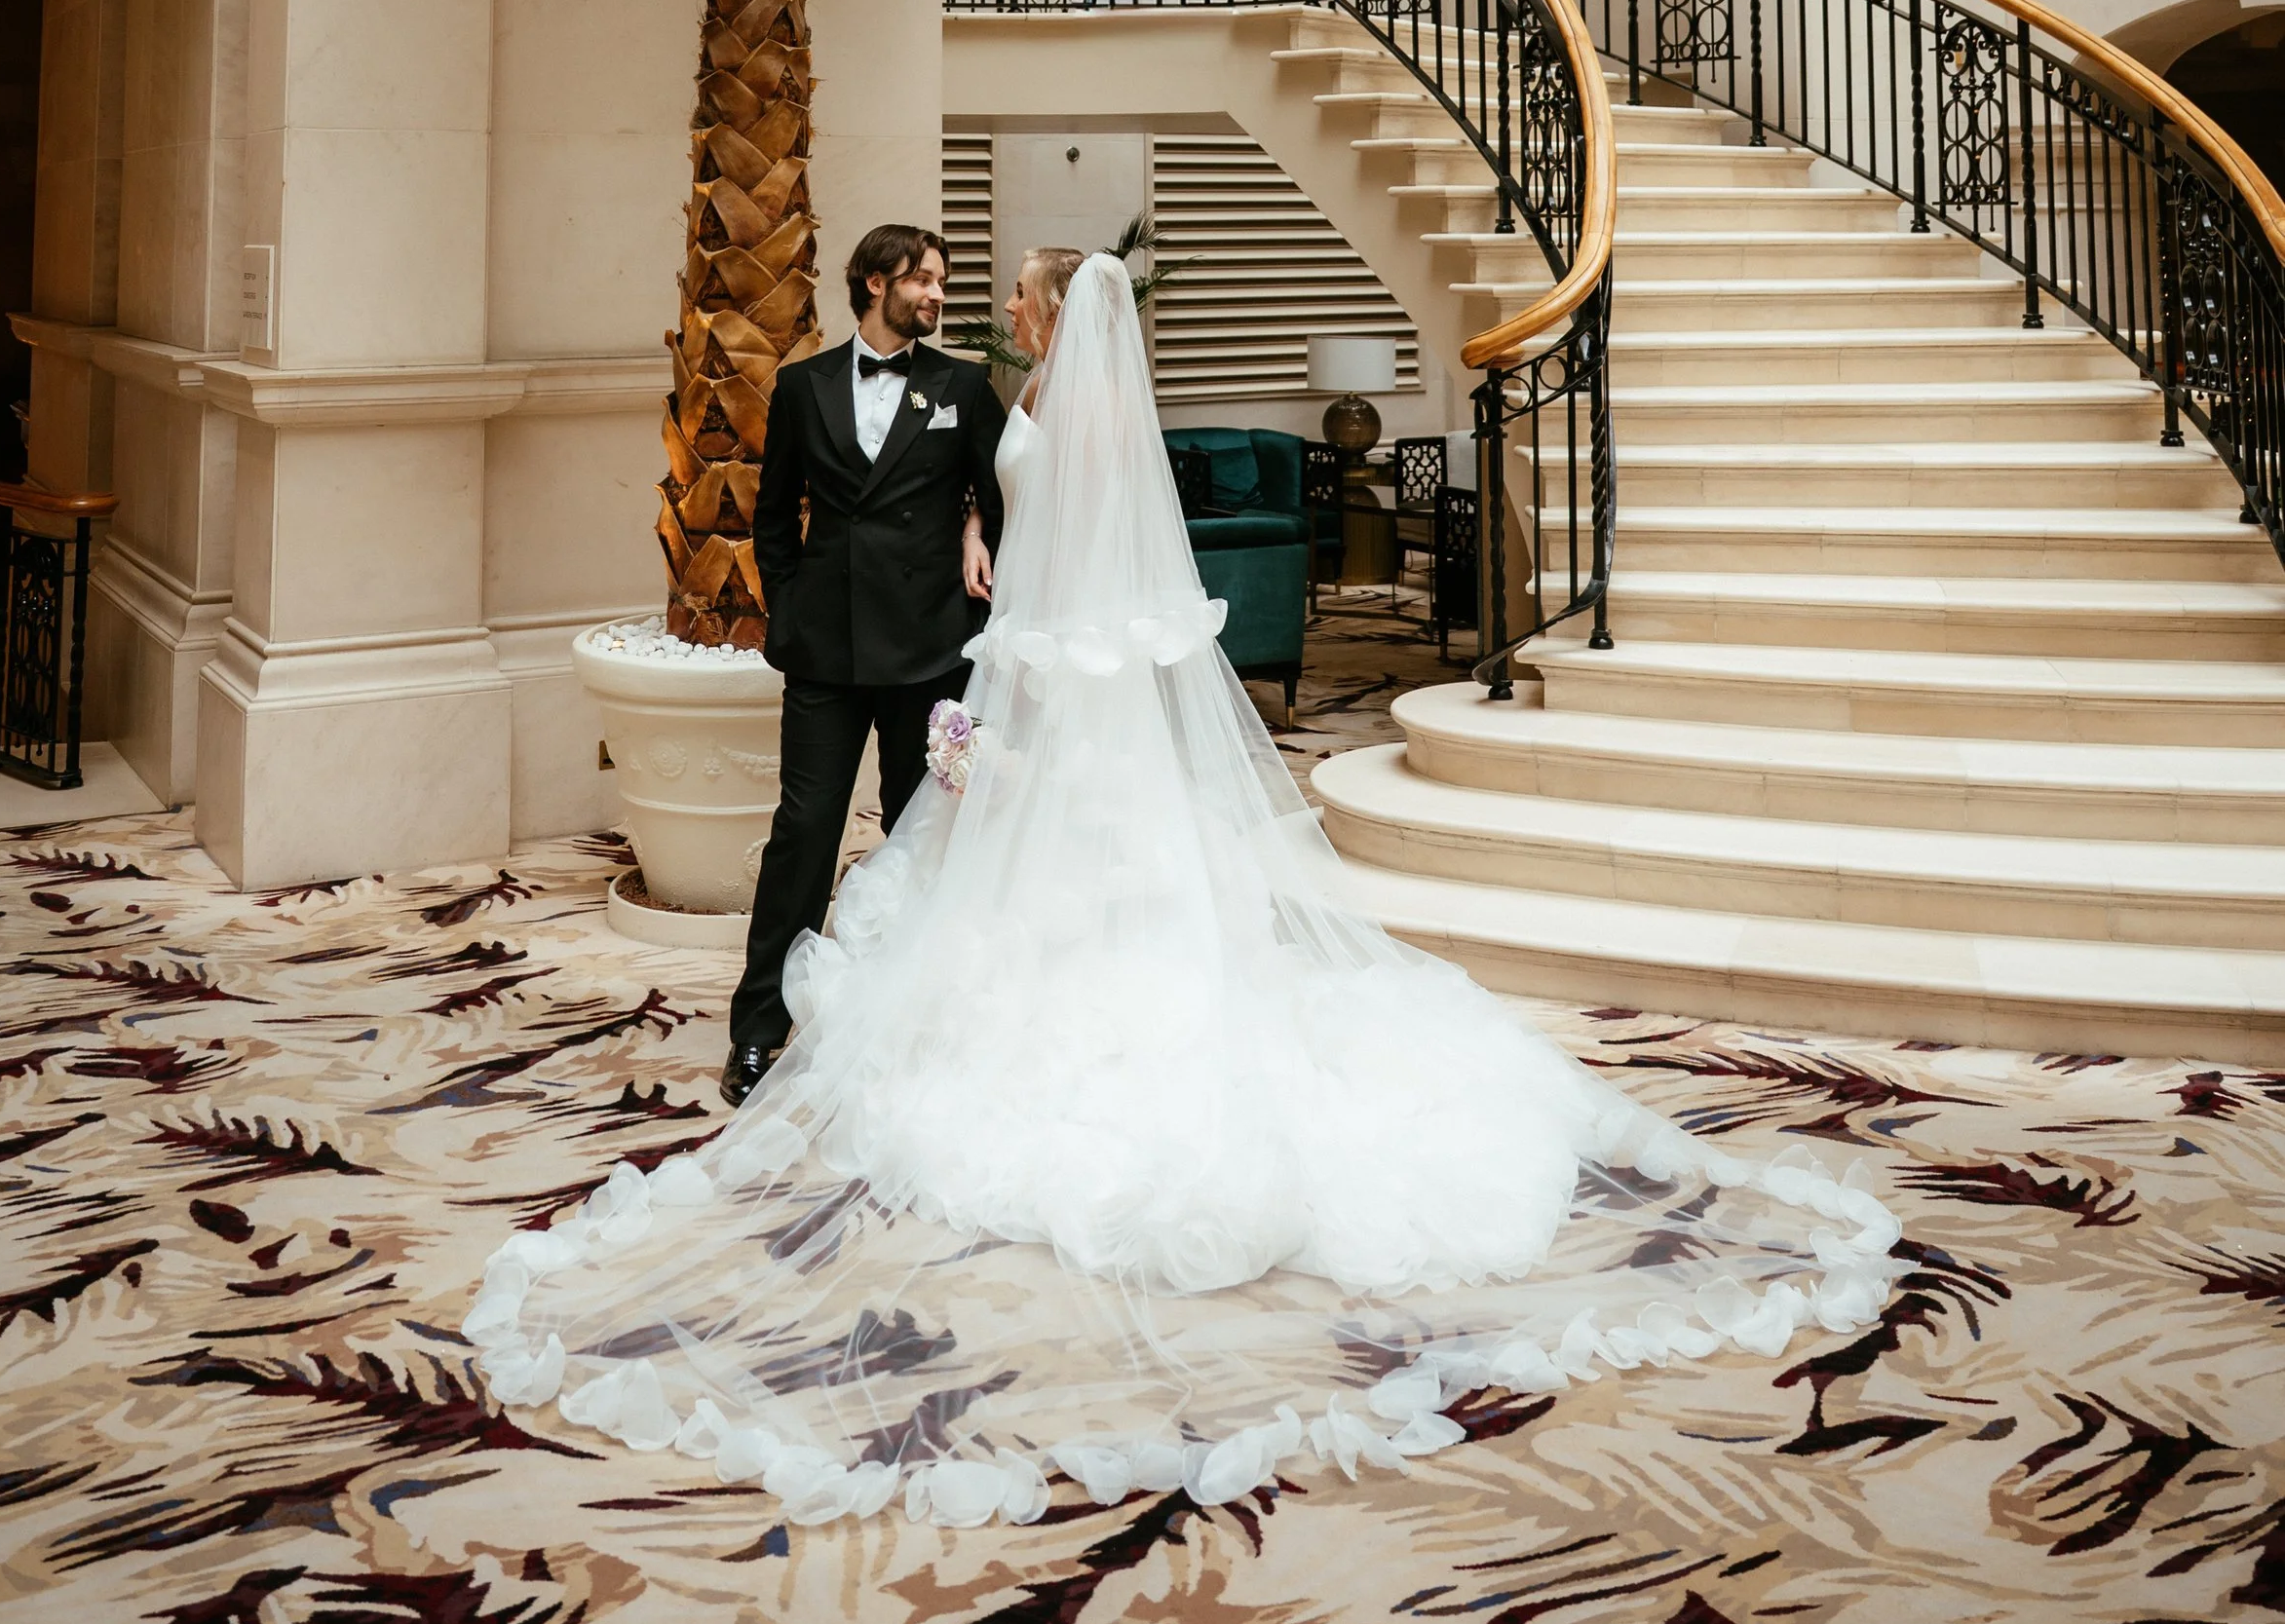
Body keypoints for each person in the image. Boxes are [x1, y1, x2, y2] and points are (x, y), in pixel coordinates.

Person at [470, 251, 1896, 1531]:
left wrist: (1006, 650)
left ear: (1050, 315)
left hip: (1042, 658)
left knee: (1049, 885)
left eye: (1014, 294)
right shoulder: (1008, 394)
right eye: (975, 290)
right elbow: (983, 512)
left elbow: (1057, 524)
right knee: (939, 859)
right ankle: (787, 1010)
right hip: (1004, 647)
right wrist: (982, 575)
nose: (995, 308)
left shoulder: (1030, 402)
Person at [719, 222, 1008, 1107]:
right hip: (829, 651)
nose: (937, 295)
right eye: (923, 279)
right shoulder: (803, 386)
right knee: (804, 832)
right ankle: (759, 1030)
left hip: (929, 650)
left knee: (918, 834)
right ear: (876, 281)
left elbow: (1003, 495)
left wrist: (973, 527)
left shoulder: (962, 385)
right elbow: (773, 516)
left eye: (941, 282)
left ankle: (917, 1019)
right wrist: (789, 609)